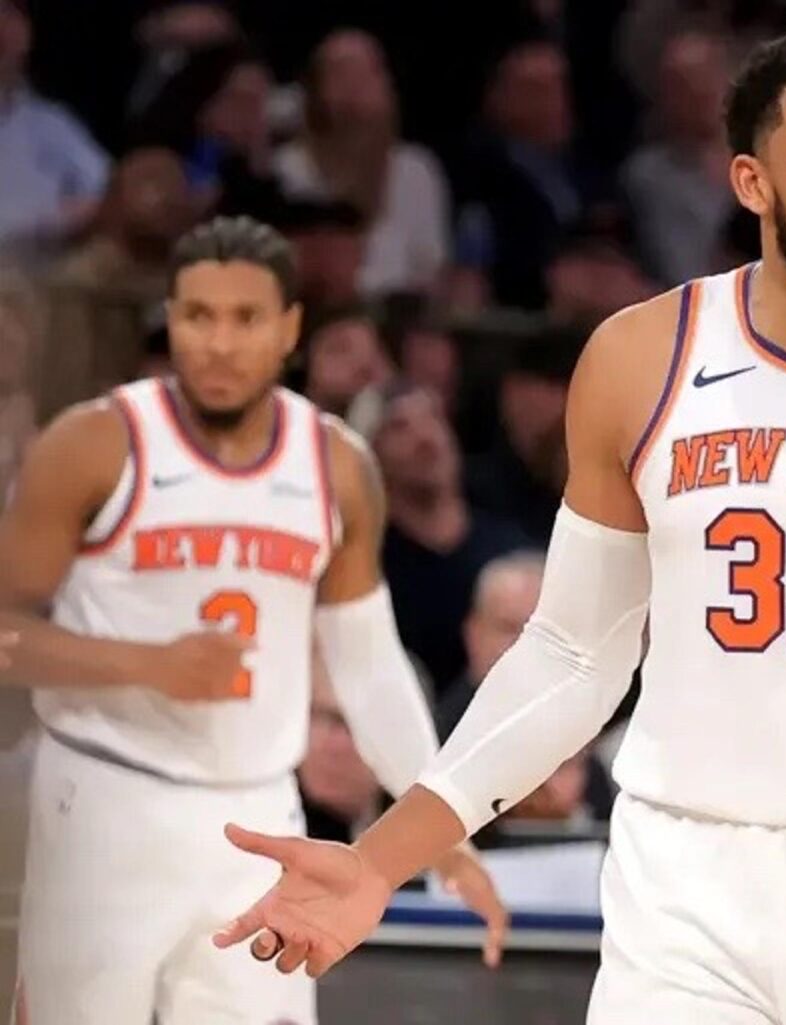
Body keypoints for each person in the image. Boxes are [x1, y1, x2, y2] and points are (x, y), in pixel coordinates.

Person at [216, 25, 786, 1024]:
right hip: (692, 875)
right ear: (751, 182)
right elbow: (575, 652)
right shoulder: (643, 356)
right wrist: (377, 861)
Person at [0, 216, 503, 1025]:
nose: (220, 342)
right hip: (102, 801)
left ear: (290, 329)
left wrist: (440, 830)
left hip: (261, 815)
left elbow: (370, 665)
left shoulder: (336, 463)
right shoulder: (94, 444)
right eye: (198, 316)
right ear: (171, 319)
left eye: (245, 318)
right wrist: (142, 663)